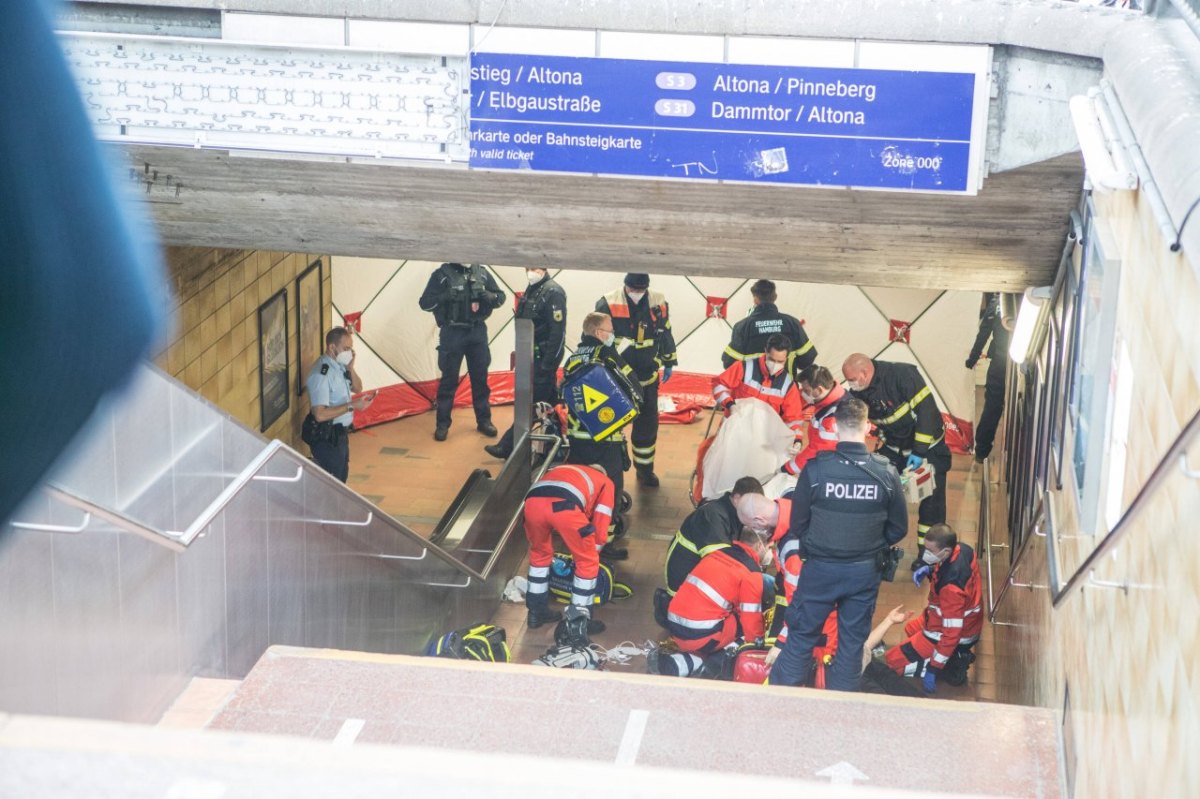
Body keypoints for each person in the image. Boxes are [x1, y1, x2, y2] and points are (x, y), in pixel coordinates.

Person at [768, 398, 908, 692]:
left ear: (833, 426)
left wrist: (818, 548)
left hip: (820, 570)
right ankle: (841, 706)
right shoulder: (886, 473)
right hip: (863, 573)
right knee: (851, 646)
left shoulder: (816, 471)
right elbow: (898, 529)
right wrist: (868, 546)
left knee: (801, 638)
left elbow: (798, 525)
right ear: (869, 427)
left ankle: (780, 703)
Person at [842, 353, 952, 569]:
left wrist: (919, 451)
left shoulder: (902, 375)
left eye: (852, 379)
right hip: (894, 447)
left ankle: (928, 557)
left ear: (864, 373)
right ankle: (877, 548)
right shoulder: (859, 391)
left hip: (928, 448)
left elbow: (927, 412)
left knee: (931, 504)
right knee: (876, 493)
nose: (850, 385)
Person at [561, 312, 644, 560]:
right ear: (598, 333)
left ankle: (576, 537)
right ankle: (603, 544)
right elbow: (633, 385)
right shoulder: (607, 355)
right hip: (605, 439)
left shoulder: (572, 359)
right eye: (610, 330)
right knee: (609, 492)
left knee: (581, 490)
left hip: (577, 438)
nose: (612, 335)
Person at [649, 529, 773, 678]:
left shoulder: (717, 553)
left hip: (675, 626)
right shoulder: (751, 573)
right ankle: (714, 665)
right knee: (746, 632)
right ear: (759, 546)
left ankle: (679, 664)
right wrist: (757, 647)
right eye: (769, 547)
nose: (770, 552)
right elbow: (751, 622)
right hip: (700, 636)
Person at [595, 273, 678, 488]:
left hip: (648, 375)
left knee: (647, 426)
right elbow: (598, 336)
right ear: (626, 286)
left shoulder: (658, 301)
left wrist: (669, 360)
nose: (637, 294)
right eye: (634, 290)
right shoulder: (608, 302)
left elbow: (666, 332)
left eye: (641, 290)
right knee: (611, 423)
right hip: (617, 377)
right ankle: (607, 468)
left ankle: (644, 470)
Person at [522, 463, 615, 644]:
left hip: (532, 503)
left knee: (539, 554)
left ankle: (536, 612)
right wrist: (592, 550)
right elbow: (602, 519)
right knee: (587, 562)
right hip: (565, 506)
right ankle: (579, 622)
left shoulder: (567, 470)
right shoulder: (606, 482)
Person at [884, 523, 983, 692]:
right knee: (910, 629)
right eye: (925, 548)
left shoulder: (951, 588)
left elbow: (951, 634)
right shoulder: (963, 550)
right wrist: (930, 570)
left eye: (930, 551)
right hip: (954, 619)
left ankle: (948, 664)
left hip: (948, 630)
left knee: (891, 661)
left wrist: (933, 669)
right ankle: (945, 658)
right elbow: (952, 571)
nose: (925, 553)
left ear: (945, 551)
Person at [418, 262, 506, 442]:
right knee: (448, 381)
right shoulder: (441, 274)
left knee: (480, 379)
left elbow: (501, 297)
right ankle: (442, 424)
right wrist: (443, 297)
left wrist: (489, 296)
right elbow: (425, 303)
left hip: (477, 331)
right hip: (452, 332)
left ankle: (484, 421)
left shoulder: (481, 273)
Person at [485, 267, 567, 460]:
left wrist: (549, 364)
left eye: (536, 268)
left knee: (531, 406)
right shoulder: (534, 289)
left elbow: (558, 332)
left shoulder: (553, 292)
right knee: (551, 403)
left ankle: (507, 446)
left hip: (543, 361)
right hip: (530, 357)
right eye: (529, 268)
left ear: (545, 269)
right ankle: (563, 441)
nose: (531, 272)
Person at [663, 476, 764, 595]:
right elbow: (720, 561)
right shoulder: (713, 516)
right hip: (684, 590)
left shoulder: (731, 512)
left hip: (695, 579)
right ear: (737, 498)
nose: (753, 510)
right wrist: (753, 571)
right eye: (751, 505)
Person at [305, 327, 374, 482]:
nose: (349, 353)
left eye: (351, 349)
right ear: (332, 347)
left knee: (342, 478)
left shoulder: (339, 366)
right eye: (346, 349)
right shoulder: (321, 375)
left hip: (340, 435)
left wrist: (351, 367)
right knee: (333, 484)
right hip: (327, 438)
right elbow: (320, 414)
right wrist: (352, 406)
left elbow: (357, 387)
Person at [712, 333, 806, 439]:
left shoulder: (788, 386)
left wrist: (797, 440)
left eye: (780, 361)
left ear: (787, 358)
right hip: (733, 431)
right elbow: (719, 385)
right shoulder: (744, 367)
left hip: (761, 439)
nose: (775, 364)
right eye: (771, 359)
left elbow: (793, 419)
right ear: (765, 351)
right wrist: (730, 405)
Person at [722, 279, 817, 375]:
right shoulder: (792, 323)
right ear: (775, 297)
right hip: (786, 387)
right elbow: (807, 360)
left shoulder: (742, 327)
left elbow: (729, 364)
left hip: (753, 388)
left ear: (755, 300)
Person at [966, 293, 1010, 464]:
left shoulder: (996, 304)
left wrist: (973, 358)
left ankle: (982, 450)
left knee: (992, 406)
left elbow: (983, 333)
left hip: (999, 363)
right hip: (1020, 363)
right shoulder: (1021, 303)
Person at [781, 365, 846, 476]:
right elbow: (794, 411)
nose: (803, 392)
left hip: (832, 467)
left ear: (819, 389)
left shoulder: (834, 416)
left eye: (806, 390)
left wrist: (788, 468)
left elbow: (817, 450)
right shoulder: (829, 396)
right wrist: (797, 439)